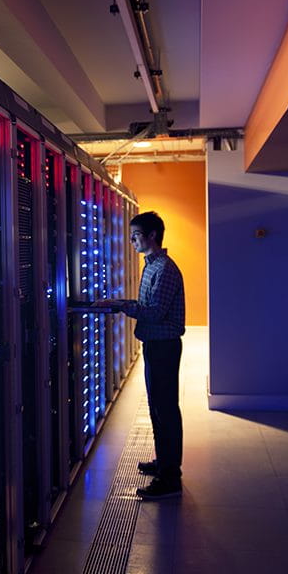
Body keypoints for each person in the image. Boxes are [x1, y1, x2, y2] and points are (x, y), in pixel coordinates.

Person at [96, 211, 185, 499]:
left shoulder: (165, 270)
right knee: (157, 408)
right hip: (154, 345)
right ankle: (164, 462)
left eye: (135, 235)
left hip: (164, 347)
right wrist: (120, 303)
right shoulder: (150, 266)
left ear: (151, 236)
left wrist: (121, 305)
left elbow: (156, 313)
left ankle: (170, 478)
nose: (131, 240)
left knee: (166, 410)